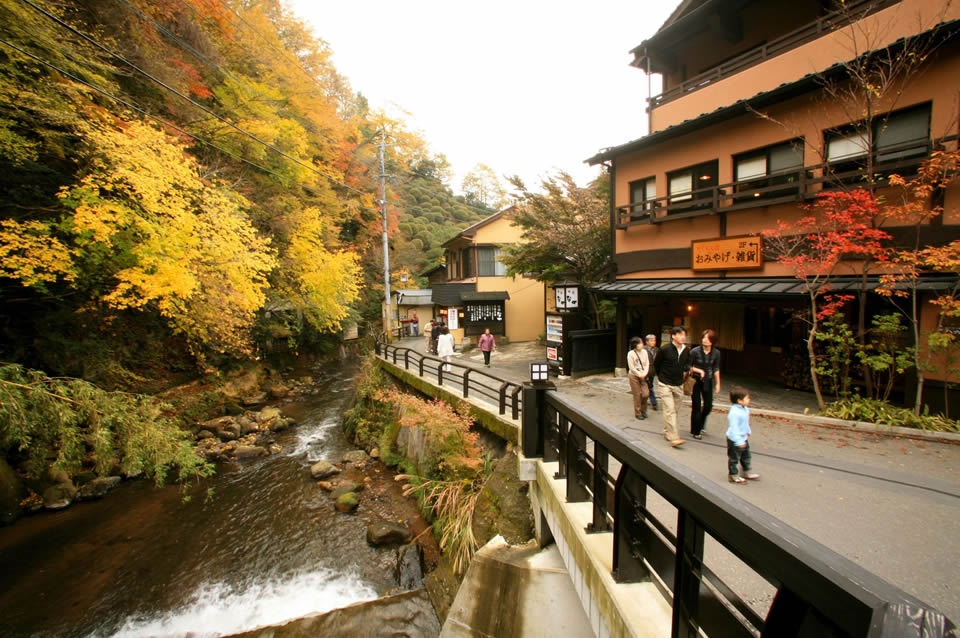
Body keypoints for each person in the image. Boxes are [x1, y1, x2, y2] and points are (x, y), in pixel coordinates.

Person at [653, 326, 689, 448]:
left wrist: (687, 370)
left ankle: (667, 431)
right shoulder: (665, 349)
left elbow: (686, 364)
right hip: (665, 383)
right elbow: (657, 364)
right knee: (669, 409)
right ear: (673, 336)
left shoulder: (686, 350)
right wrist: (661, 377)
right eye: (680, 334)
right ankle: (674, 437)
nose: (683, 337)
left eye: (684, 335)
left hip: (678, 383)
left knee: (675, 410)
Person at [688, 329, 721, 440]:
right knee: (696, 405)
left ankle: (700, 423)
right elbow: (688, 366)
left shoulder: (716, 353)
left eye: (707, 338)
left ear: (712, 341)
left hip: (707, 380)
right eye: (703, 337)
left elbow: (716, 368)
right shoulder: (695, 351)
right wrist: (699, 371)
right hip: (695, 380)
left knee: (708, 406)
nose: (705, 340)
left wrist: (718, 383)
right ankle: (696, 431)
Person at [726, 386, 760, 484]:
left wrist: (748, 430)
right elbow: (734, 428)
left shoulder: (745, 409)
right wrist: (739, 441)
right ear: (739, 401)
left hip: (743, 437)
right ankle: (733, 475)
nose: (749, 400)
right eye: (747, 398)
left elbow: (745, 423)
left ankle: (746, 471)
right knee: (734, 458)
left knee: (746, 456)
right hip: (734, 439)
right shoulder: (735, 413)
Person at [627, 336, 651, 420]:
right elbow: (632, 367)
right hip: (634, 375)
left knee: (645, 394)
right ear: (635, 345)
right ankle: (638, 412)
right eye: (640, 343)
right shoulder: (631, 354)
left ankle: (643, 410)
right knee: (637, 394)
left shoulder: (645, 352)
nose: (642, 344)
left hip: (643, 374)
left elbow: (647, 364)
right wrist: (639, 374)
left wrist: (644, 373)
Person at [644, 334, 660, 412]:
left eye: (654, 340)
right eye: (651, 340)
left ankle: (645, 399)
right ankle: (654, 403)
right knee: (649, 386)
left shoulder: (657, 350)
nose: (654, 342)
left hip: (652, 371)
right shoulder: (643, 350)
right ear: (647, 342)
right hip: (644, 371)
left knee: (649, 385)